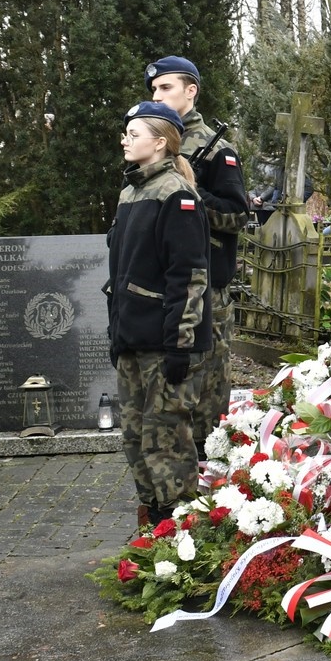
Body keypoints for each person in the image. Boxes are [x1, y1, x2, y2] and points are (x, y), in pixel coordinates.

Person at [107, 100, 212, 531]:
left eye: (134, 133)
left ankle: (181, 534)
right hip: (133, 340)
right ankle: (153, 525)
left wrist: (179, 345)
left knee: (166, 441)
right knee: (135, 440)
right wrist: (116, 333)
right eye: (126, 133)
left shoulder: (177, 195)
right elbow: (122, 272)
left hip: (166, 344)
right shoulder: (130, 193)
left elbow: (188, 278)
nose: (125, 140)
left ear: (161, 141)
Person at [146, 56, 250, 458]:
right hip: (162, 284)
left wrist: (191, 194)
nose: (158, 94)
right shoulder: (150, 142)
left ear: (191, 91)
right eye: (154, 90)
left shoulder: (216, 148)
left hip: (206, 286)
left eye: (166, 87)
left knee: (206, 386)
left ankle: (211, 468)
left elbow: (238, 214)